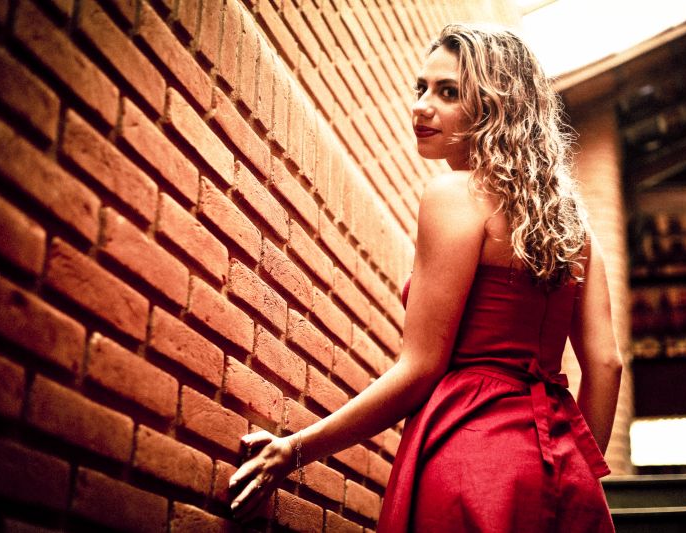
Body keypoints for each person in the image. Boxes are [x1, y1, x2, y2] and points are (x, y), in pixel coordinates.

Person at [229, 23, 623, 532]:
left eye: (448, 92)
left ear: (495, 106)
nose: (421, 107)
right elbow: (607, 363)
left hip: (471, 454)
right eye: (421, 88)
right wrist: (575, 469)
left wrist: (295, 450)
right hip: (561, 467)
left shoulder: (455, 195)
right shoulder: (572, 226)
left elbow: (420, 367)